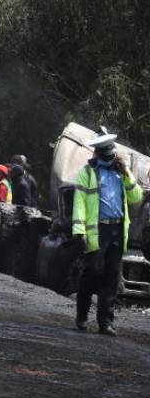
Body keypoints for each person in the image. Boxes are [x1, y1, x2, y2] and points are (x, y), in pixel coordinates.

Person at [72, 132, 143, 337]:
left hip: (117, 230)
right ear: (98, 153)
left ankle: (105, 323)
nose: (110, 157)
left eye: (112, 154)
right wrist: (79, 231)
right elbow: (79, 203)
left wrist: (127, 173)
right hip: (97, 231)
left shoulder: (121, 173)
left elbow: (136, 196)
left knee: (112, 277)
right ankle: (82, 316)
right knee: (91, 273)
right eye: (106, 154)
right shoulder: (88, 173)